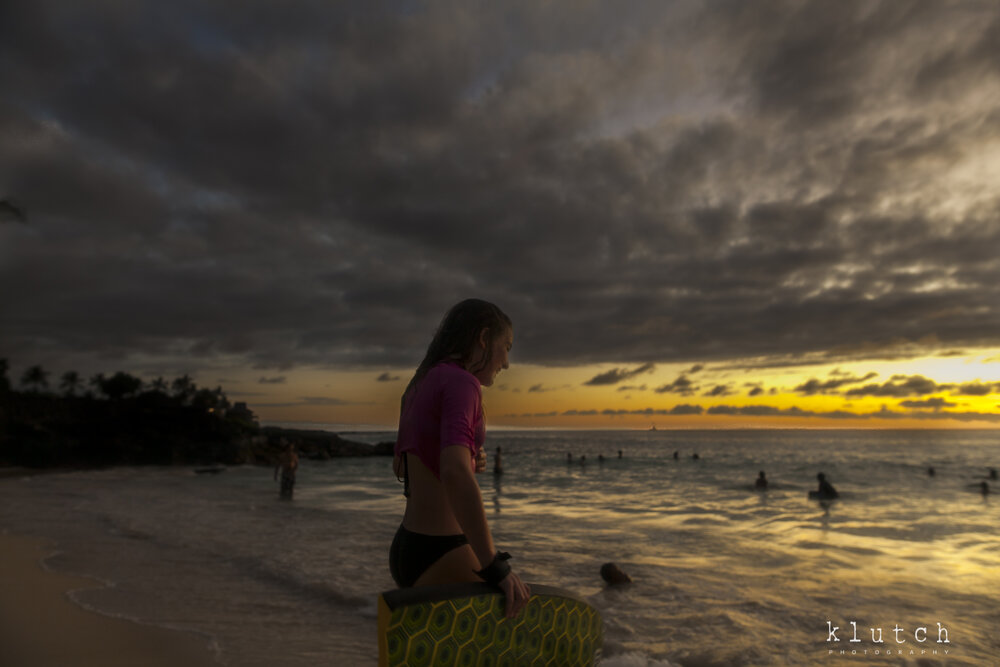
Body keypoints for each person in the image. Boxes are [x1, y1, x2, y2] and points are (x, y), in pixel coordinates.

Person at [389, 299, 530, 618]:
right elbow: (453, 472)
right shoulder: (463, 382)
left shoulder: (417, 384)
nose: (506, 362)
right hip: (442, 549)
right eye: (506, 346)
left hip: (408, 546)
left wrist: (467, 461)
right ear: (483, 339)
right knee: (516, 620)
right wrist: (493, 566)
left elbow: (401, 466)